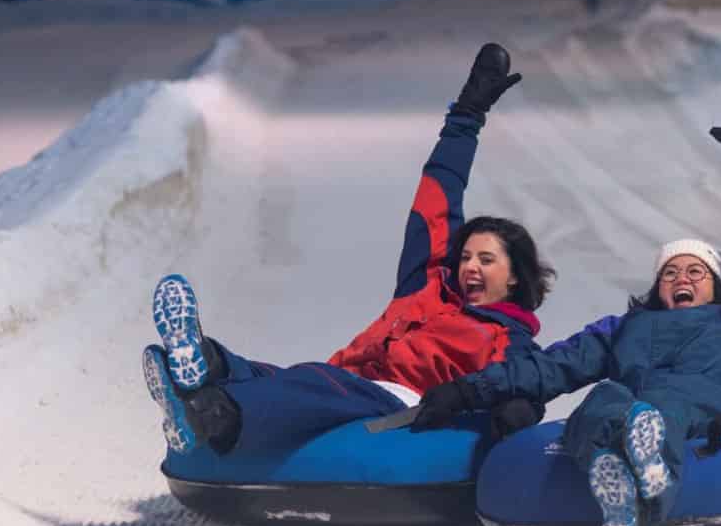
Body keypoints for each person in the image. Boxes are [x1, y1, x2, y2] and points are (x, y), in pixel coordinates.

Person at [142, 43, 556, 459]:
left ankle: (212, 416)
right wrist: (466, 117)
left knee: (316, 386)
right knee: (283, 378)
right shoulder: (428, 285)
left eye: (486, 260)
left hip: (397, 406)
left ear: (516, 274)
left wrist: (519, 412)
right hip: (341, 381)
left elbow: (525, 383)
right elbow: (438, 196)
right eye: (465, 256)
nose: (469, 266)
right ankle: (203, 364)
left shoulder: (509, 339)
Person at [411, 121, 721, 526]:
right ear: (658, 285)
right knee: (602, 401)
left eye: (695, 271)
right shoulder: (626, 327)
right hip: (629, 408)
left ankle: (646, 467)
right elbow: (552, 366)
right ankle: (618, 486)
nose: (681, 277)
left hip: (699, 408)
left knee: (667, 403)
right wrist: (467, 389)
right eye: (670, 272)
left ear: (716, 286)